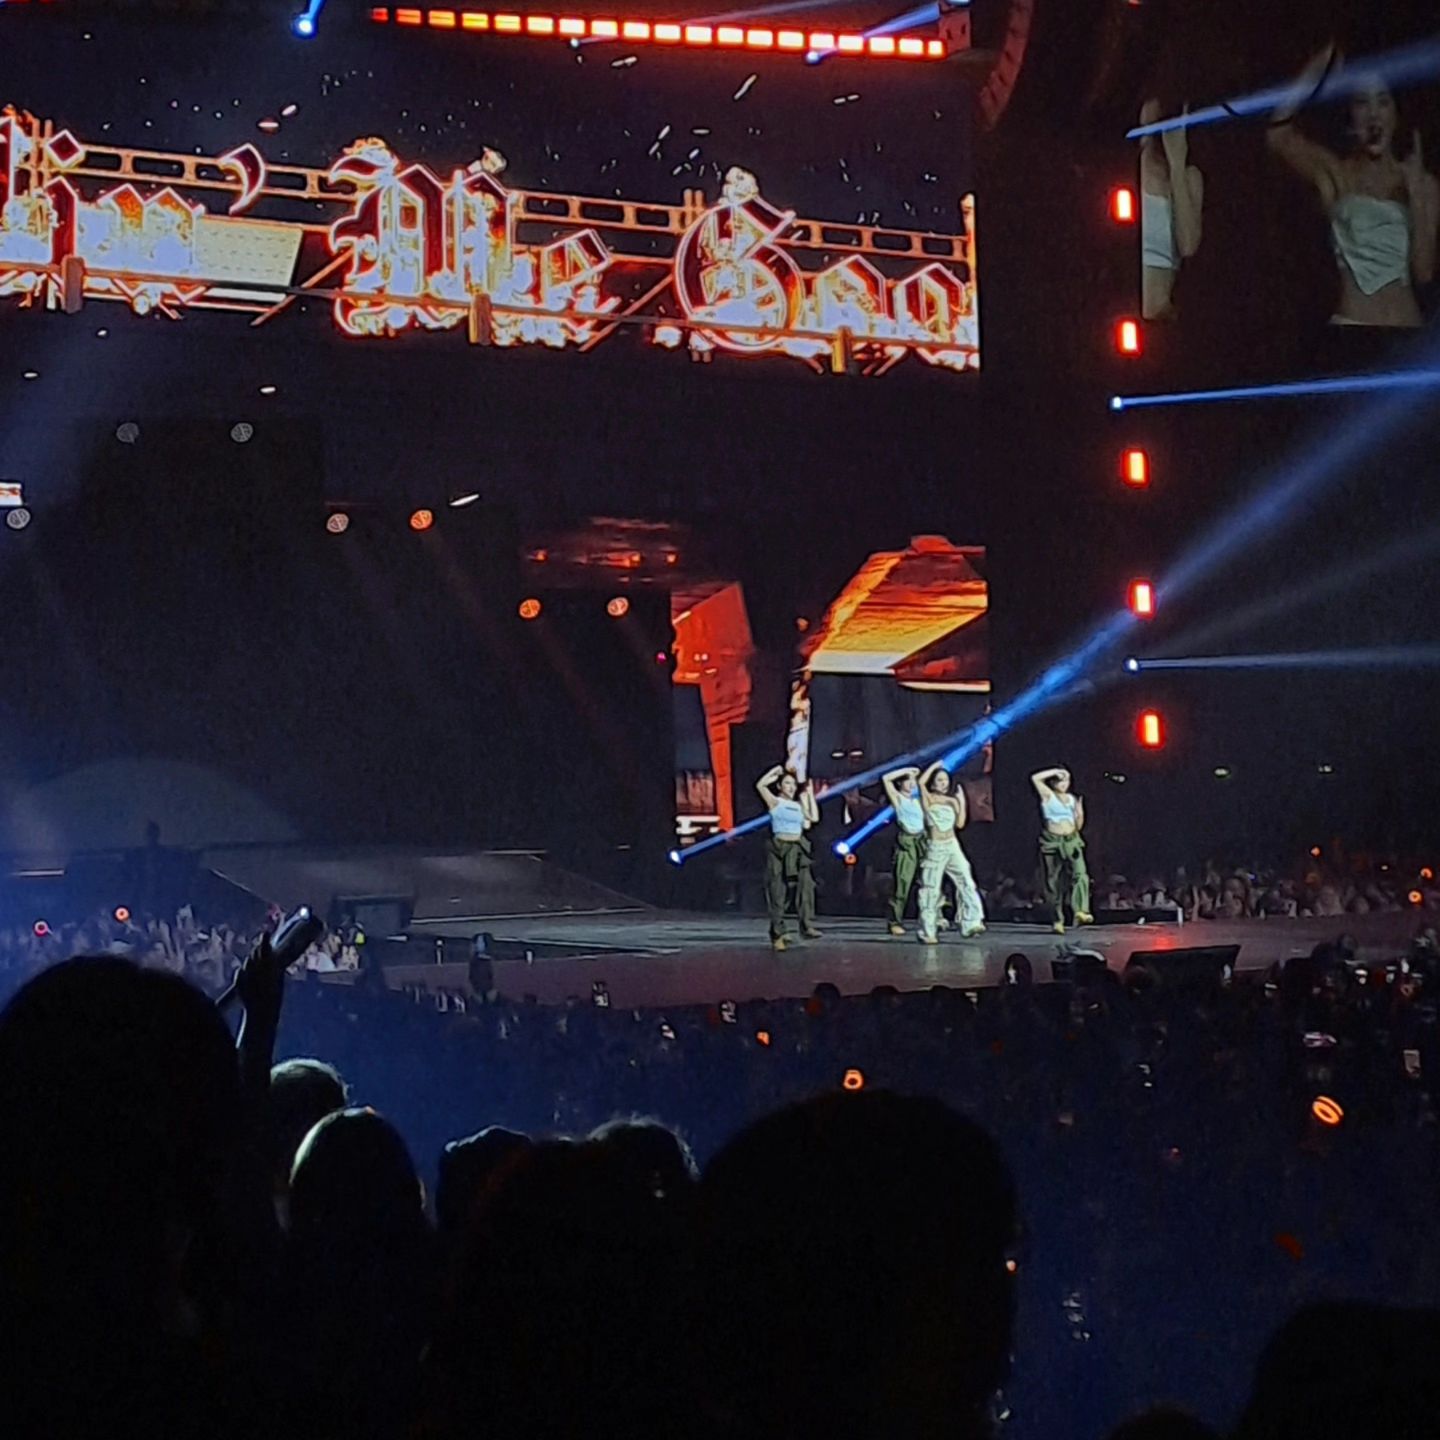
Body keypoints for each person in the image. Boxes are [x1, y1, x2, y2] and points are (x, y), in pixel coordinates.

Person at [1267, 45, 1439, 327]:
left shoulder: (1421, 182)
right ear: (1351, 116)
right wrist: (1322, 62)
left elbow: (1424, 272)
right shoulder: (1336, 174)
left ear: (1395, 114)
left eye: (1382, 102)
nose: (1373, 114)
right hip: (1353, 328)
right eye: (1362, 103)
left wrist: (1417, 198)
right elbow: (1278, 133)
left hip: (1406, 330)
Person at [1140, 97, 1204, 320]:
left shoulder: (1189, 176)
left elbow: (1188, 245)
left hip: (1159, 313)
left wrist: (1176, 164)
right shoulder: (1131, 169)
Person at [915, 762, 985, 945]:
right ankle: (928, 931)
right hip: (935, 846)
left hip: (952, 844)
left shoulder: (952, 801)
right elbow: (920, 783)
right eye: (939, 780)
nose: (943, 783)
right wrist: (934, 766)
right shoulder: (928, 798)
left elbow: (960, 824)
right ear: (933, 783)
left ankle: (971, 923)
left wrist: (962, 802)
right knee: (931, 888)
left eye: (945, 780)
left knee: (966, 880)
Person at [756, 764, 820, 952]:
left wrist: (809, 795)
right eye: (787, 783)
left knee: (806, 886)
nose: (791, 787)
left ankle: (806, 926)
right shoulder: (775, 802)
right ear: (780, 786)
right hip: (779, 849)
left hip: (797, 849)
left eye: (793, 784)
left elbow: (812, 819)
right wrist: (774, 772)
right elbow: (760, 786)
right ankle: (778, 933)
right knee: (778, 891)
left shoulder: (798, 806)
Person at [1032, 766, 1092, 934]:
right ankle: (1057, 919)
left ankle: (1081, 910)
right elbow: (1035, 778)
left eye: (1067, 780)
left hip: (1071, 839)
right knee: (1053, 882)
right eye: (1061, 781)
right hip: (1052, 841)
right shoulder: (1048, 795)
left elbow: (1078, 826)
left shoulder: (1071, 799)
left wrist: (1080, 815)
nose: (1064, 784)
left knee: (1080, 874)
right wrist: (1055, 771)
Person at [881, 765, 928, 936]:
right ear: (900, 783)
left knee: (928, 881)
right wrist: (907, 770)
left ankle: (931, 919)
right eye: (907, 781)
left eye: (913, 781)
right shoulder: (898, 798)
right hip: (907, 841)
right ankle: (894, 921)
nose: (911, 783)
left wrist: (916, 775)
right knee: (903, 882)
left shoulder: (919, 799)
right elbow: (886, 778)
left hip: (923, 840)